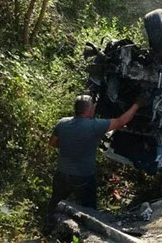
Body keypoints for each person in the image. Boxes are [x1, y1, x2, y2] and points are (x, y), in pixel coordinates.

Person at [44, 94, 140, 229]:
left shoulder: (62, 123)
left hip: (61, 175)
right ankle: (87, 234)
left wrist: (70, 144)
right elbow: (121, 122)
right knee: (88, 211)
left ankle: (48, 228)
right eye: (93, 107)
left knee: (55, 203)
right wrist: (137, 105)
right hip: (83, 178)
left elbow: (52, 143)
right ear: (89, 110)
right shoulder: (94, 125)